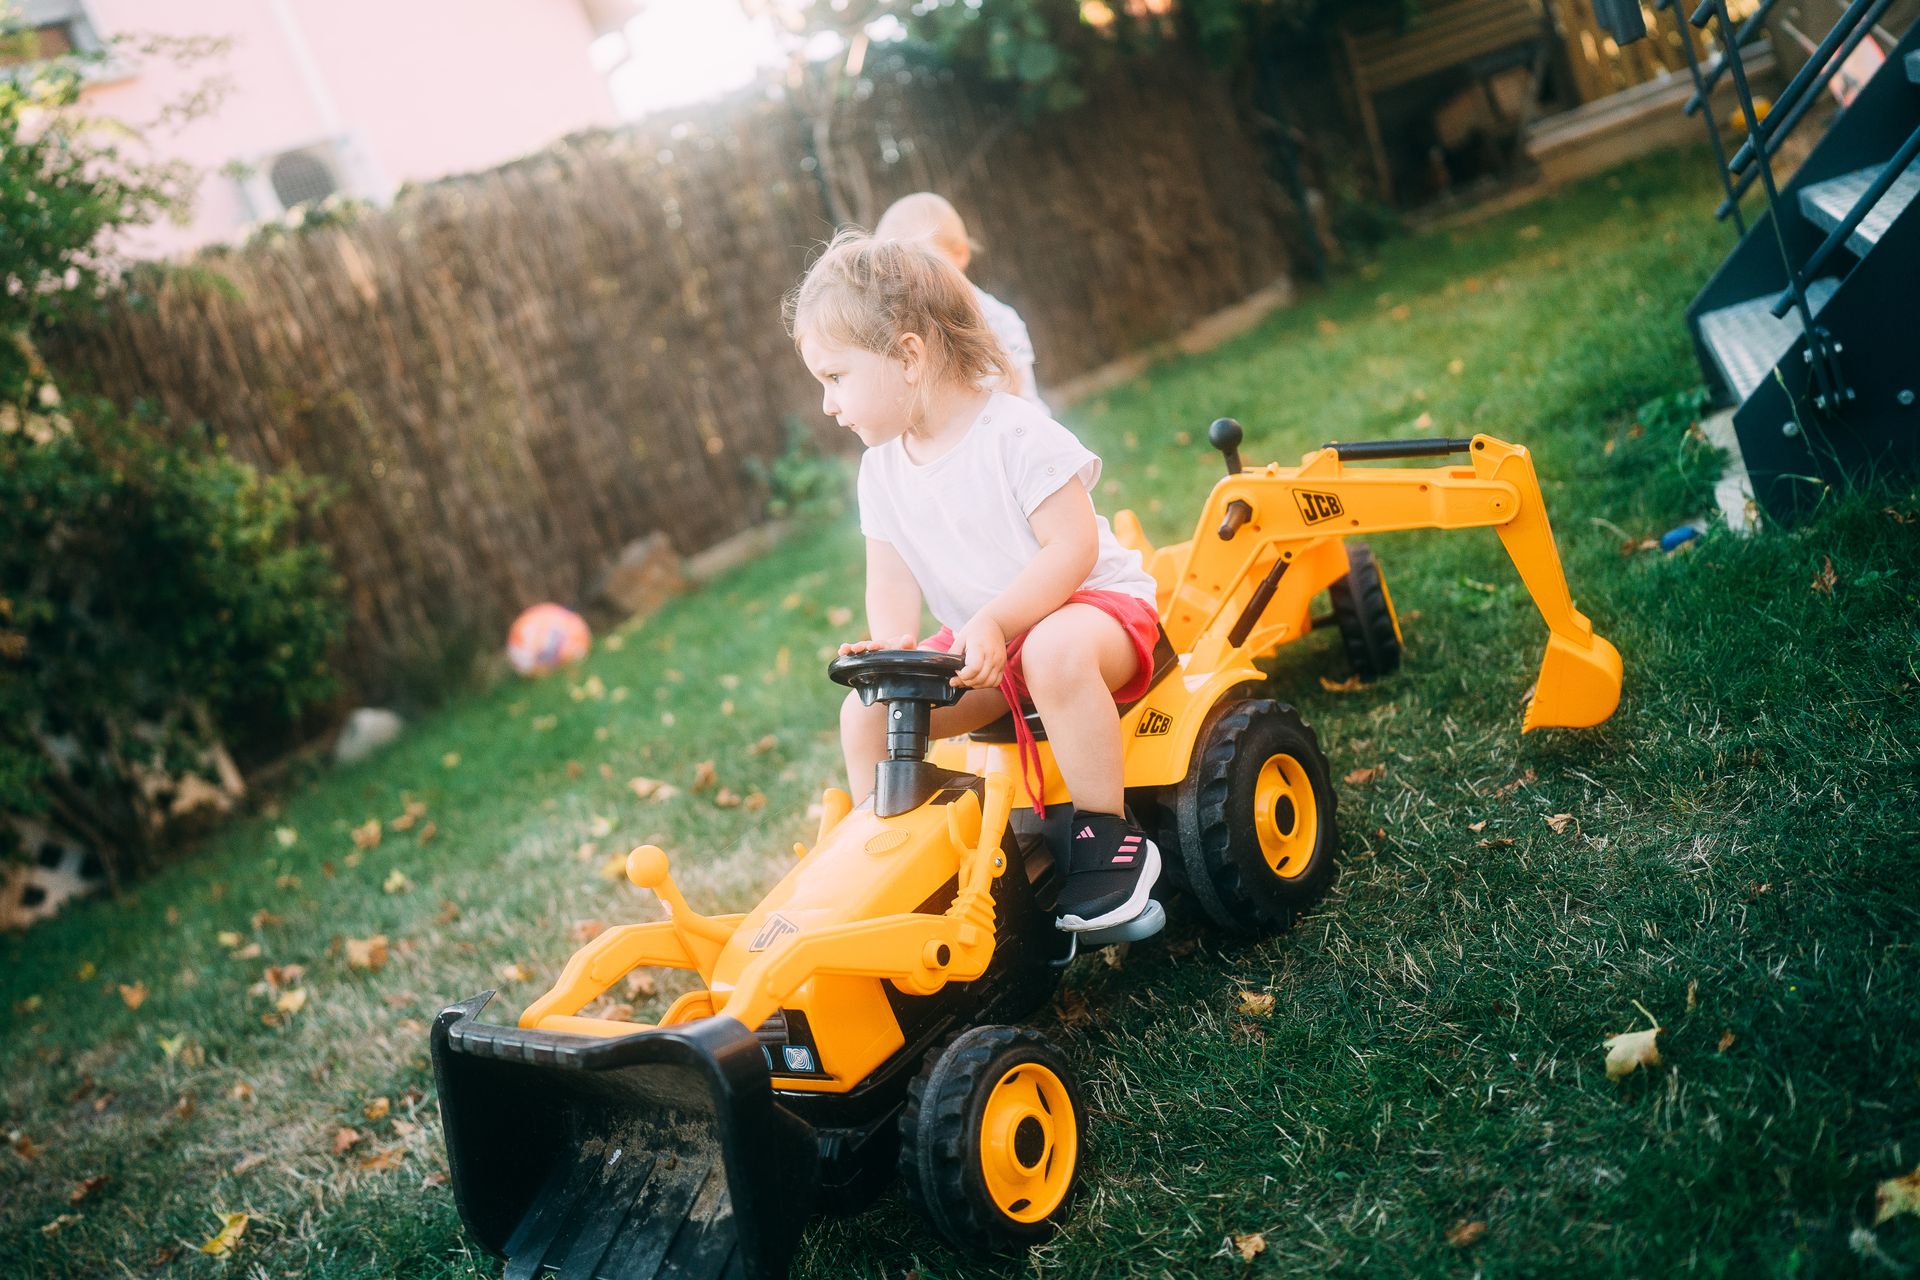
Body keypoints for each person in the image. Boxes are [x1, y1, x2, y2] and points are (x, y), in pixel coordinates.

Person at [786, 230, 1160, 933]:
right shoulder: (882, 470)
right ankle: (893, 857)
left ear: (907, 356)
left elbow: (1073, 548)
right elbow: (891, 585)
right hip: (989, 648)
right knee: (867, 710)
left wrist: (994, 619)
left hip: (1090, 613)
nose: (829, 405)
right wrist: (890, 649)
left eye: (836, 378)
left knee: (1051, 649)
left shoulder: (1014, 433)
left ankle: (1108, 834)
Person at [873, 192, 1047, 411]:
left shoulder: (991, 316)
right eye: (896, 270)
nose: (910, 278)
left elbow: (1010, 385)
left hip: (1017, 431)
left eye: (922, 263)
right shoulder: (911, 326)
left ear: (959, 254)